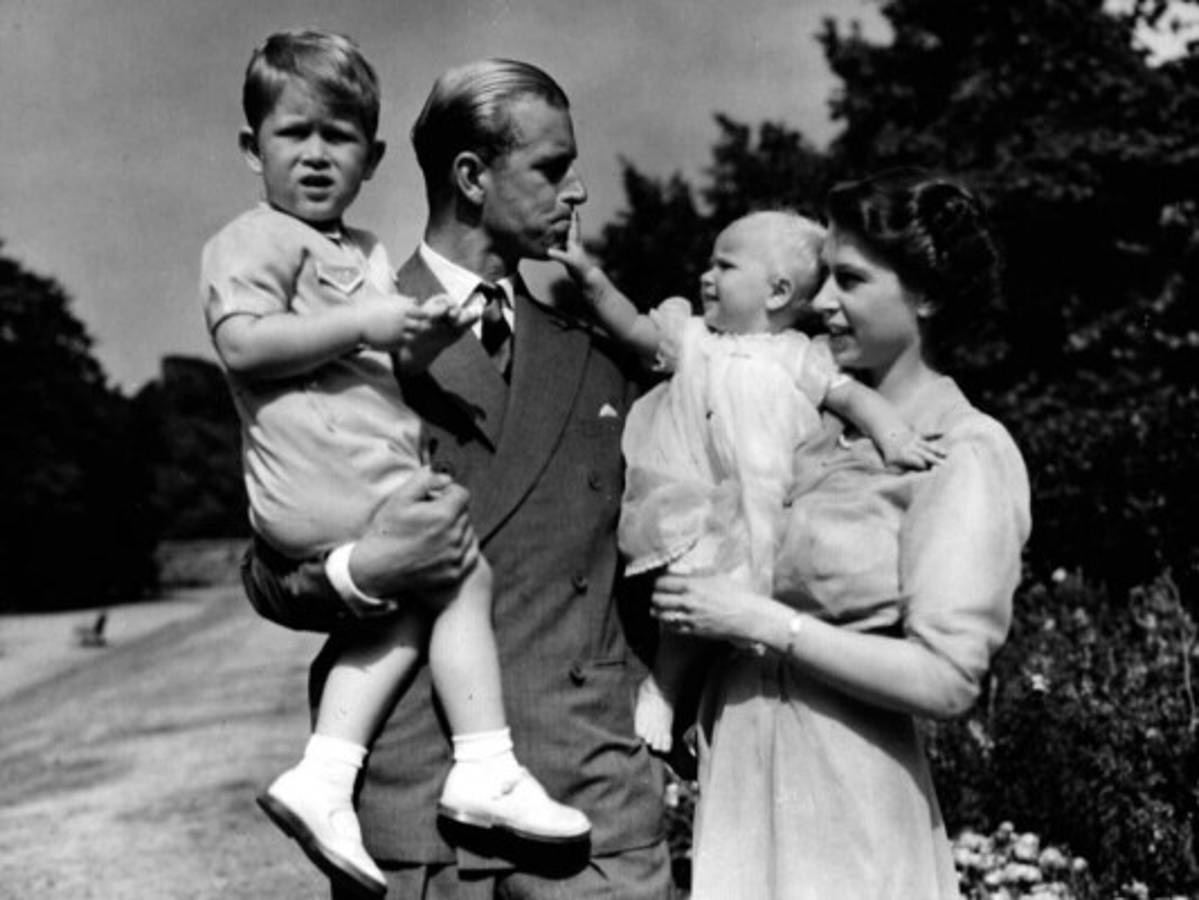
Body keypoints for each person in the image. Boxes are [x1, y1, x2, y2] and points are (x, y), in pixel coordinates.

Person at [240, 57, 672, 899]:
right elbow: (265, 570)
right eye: (552, 167)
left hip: (591, 811)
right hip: (418, 819)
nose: (577, 191)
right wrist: (359, 572)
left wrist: (660, 706)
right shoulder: (329, 333)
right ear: (471, 176)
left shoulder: (597, 354)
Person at [649, 169, 1032, 899]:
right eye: (822, 277)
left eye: (849, 280)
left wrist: (765, 621)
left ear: (926, 295)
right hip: (739, 795)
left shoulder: (962, 451)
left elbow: (946, 680)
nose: (820, 301)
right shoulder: (807, 433)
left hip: (848, 816)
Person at [550, 209, 944, 753]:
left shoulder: (800, 357)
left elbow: (853, 398)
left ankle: (706, 714)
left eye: (725, 266)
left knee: (749, 620)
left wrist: (893, 433)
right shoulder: (693, 340)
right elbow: (636, 330)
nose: (705, 276)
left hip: (770, 507)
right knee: (690, 600)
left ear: (778, 292)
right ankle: (663, 689)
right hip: (699, 501)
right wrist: (590, 279)